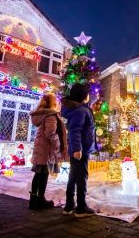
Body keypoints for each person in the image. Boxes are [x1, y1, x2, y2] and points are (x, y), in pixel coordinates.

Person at [61, 83, 97, 217]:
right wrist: (77, 148)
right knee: (81, 177)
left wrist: (92, 97)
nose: (89, 96)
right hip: (81, 149)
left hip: (78, 148)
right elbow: (75, 130)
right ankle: (81, 207)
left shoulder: (78, 108)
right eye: (87, 93)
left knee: (73, 176)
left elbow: (89, 101)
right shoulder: (80, 111)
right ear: (83, 96)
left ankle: (69, 205)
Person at [29, 93, 68, 210]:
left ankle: (34, 200)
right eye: (55, 101)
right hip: (46, 150)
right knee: (43, 174)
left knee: (38, 174)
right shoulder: (50, 115)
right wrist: (58, 145)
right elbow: (51, 133)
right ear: (52, 104)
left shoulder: (42, 115)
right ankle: (40, 200)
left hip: (41, 148)